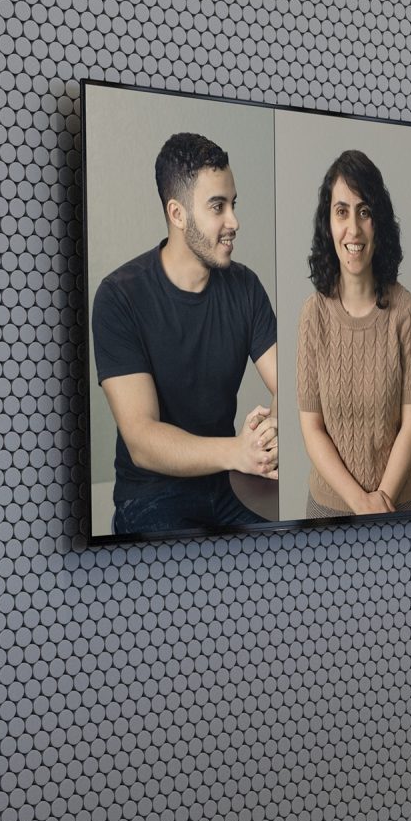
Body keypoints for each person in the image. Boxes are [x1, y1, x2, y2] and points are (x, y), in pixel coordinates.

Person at [93, 130, 278, 536]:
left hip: (230, 484)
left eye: (233, 204)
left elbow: (297, 385)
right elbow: (142, 438)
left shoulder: (245, 287)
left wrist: (272, 431)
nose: (234, 222)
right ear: (177, 214)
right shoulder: (118, 296)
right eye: (218, 207)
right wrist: (238, 452)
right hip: (153, 496)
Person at [296, 150, 411, 517]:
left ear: (378, 223)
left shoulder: (405, 310)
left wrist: (380, 500)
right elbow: (312, 428)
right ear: (329, 224)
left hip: (397, 504)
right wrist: (359, 502)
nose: (353, 229)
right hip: (328, 508)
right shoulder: (312, 315)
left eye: (364, 212)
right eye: (342, 212)